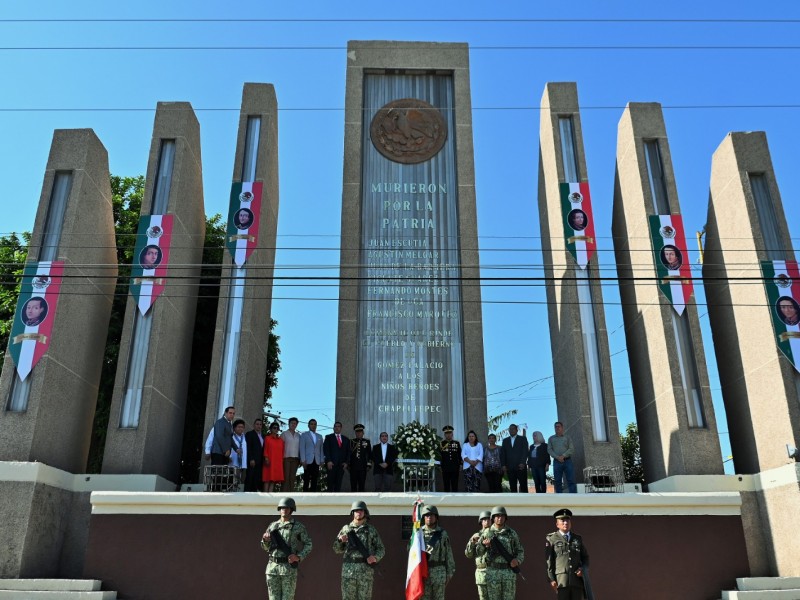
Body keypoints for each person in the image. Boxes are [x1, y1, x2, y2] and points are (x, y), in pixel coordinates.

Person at [261, 497, 312, 600]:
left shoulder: (298, 526)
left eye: (287, 508)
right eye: (282, 508)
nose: (284, 510)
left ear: (291, 510)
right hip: (272, 569)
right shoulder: (273, 526)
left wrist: (298, 557)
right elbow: (265, 547)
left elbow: (309, 544)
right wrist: (265, 540)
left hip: (288, 569)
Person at [333, 500, 385, 600]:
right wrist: (340, 541)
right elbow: (336, 549)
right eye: (356, 510)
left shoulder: (370, 530)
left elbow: (381, 548)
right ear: (353, 513)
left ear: (365, 512)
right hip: (348, 573)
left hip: (365, 573)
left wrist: (375, 557)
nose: (359, 512)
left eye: (361, 510)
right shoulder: (346, 529)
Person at [479, 506, 524, 600]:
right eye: (497, 516)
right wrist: (484, 545)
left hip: (508, 573)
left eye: (502, 516)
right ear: (493, 518)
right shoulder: (487, 533)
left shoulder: (511, 533)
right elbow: (477, 551)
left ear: (505, 517)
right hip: (492, 573)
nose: (500, 518)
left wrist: (517, 560)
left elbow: (520, 551)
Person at [546, 508, 589, 600]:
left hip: (577, 581)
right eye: (562, 520)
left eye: (567, 520)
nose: (565, 523)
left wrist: (582, 569)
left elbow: (585, 557)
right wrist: (551, 579)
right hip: (561, 581)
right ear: (557, 524)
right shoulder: (552, 539)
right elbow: (549, 561)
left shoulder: (577, 538)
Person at [419, 505, 455, 599]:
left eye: (431, 515)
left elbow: (448, 554)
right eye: (426, 515)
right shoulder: (418, 533)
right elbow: (411, 552)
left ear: (436, 517)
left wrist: (449, 573)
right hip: (423, 573)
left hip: (439, 573)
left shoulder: (442, 534)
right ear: (424, 518)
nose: (429, 517)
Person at [465, 510, 491, 600]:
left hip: (494, 572)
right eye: (484, 520)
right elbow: (468, 554)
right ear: (481, 522)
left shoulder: (495, 535)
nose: (487, 521)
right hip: (481, 573)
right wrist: (472, 542)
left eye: (489, 519)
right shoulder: (476, 535)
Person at [548, 422, 576, 493]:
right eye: (555, 427)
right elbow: (549, 450)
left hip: (567, 461)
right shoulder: (551, 439)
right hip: (557, 462)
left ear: (562, 428)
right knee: (557, 481)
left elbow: (571, 449)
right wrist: (558, 457)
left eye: (558, 426)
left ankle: (574, 499)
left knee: (571, 480)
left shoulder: (567, 437)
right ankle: (559, 500)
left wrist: (563, 456)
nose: (557, 428)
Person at [501, 424, 529, 493]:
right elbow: (503, 453)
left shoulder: (523, 439)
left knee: (523, 486)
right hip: (510, 467)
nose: (512, 430)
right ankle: (514, 503)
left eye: (513, 429)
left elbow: (525, 451)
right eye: (510, 429)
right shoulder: (505, 440)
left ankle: (526, 502)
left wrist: (522, 462)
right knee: (512, 487)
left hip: (521, 467)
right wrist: (503, 465)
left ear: (516, 430)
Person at [324, 421, 350, 492]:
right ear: (333, 428)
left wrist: (346, 463)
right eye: (335, 426)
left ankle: (337, 501)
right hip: (331, 464)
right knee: (330, 484)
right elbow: (326, 450)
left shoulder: (346, 439)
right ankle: (329, 501)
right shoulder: (329, 437)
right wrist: (328, 461)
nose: (337, 428)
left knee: (338, 484)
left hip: (341, 465)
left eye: (338, 426)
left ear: (341, 428)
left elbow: (348, 452)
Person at [299, 418, 324, 492]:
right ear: (308, 425)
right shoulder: (304, 435)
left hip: (316, 460)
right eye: (311, 424)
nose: (313, 426)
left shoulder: (319, 436)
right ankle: (305, 495)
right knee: (306, 479)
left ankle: (313, 495)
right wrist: (303, 460)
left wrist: (322, 460)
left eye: (315, 424)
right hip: (307, 460)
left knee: (315, 479)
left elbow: (321, 449)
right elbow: (302, 448)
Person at [263, 422, 285, 492]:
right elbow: (265, 448)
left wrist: (282, 461)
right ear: (270, 429)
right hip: (269, 461)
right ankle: (265, 495)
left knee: (273, 479)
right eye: (274, 428)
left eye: (277, 428)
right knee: (267, 479)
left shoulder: (281, 440)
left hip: (277, 462)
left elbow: (282, 451)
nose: (276, 429)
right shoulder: (267, 438)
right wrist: (266, 458)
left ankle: (270, 496)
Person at [349, 424, 372, 492]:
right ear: (355, 433)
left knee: (362, 486)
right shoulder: (351, 441)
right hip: (353, 467)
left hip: (363, 467)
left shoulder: (367, 442)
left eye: (360, 432)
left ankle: (361, 501)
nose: (359, 433)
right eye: (357, 432)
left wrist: (368, 465)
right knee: (353, 486)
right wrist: (348, 464)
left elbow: (369, 454)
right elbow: (348, 454)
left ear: (363, 433)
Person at [439, 426, 461, 493]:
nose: (448, 435)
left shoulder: (456, 443)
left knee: (455, 485)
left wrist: (460, 464)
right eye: (447, 433)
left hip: (455, 467)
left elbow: (459, 455)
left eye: (450, 433)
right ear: (444, 434)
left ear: (452, 434)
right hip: (445, 467)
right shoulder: (441, 444)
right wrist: (440, 466)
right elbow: (439, 456)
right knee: (446, 485)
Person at [282, 417, 301, 492]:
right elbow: (280, 446)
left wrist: (300, 459)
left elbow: (300, 448)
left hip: (295, 459)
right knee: (286, 477)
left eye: (295, 423)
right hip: (286, 458)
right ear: (289, 424)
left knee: (292, 477)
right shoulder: (284, 434)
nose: (293, 424)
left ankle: (291, 494)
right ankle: (283, 494)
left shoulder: (298, 435)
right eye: (292, 423)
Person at [245, 418, 265, 492]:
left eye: (260, 424)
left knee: (256, 479)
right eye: (257, 424)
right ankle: (246, 495)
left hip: (260, 462)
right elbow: (248, 447)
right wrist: (251, 459)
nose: (259, 426)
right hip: (252, 461)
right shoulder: (249, 434)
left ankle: (254, 495)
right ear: (254, 425)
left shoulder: (263, 436)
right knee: (250, 478)